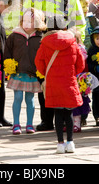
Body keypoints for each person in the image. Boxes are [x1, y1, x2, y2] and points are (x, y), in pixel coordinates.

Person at [24, 0, 86, 132]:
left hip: (64, 42)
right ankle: (46, 120)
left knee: (64, 81)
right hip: (42, 40)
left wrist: (74, 38)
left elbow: (79, 21)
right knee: (43, 79)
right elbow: (25, 18)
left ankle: (66, 118)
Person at [35, 17, 85, 154]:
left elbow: (38, 63)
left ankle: (60, 144)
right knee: (68, 113)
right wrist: (72, 73)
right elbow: (80, 63)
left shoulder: (45, 43)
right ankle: (70, 142)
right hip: (69, 81)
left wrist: (48, 73)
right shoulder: (72, 42)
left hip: (53, 82)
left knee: (57, 113)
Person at [4, 8, 45, 135]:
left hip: (32, 73)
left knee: (30, 99)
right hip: (18, 72)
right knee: (17, 97)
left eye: (31, 22)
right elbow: (7, 52)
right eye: (24, 21)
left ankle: (29, 124)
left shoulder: (40, 37)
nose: (26, 25)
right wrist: (8, 65)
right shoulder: (14, 36)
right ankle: (16, 124)